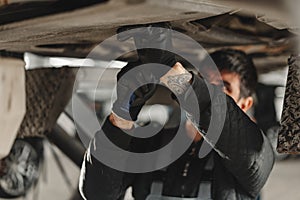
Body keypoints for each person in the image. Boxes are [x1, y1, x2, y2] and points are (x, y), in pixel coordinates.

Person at [79, 46, 274, 199]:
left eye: (224, 89)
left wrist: (178, 80)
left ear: (245, 103)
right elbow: (98, 193)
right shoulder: (152, 142)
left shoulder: (253, 154)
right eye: (205, 83)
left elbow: (248, 150)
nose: (213, 94)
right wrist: (122, 113)